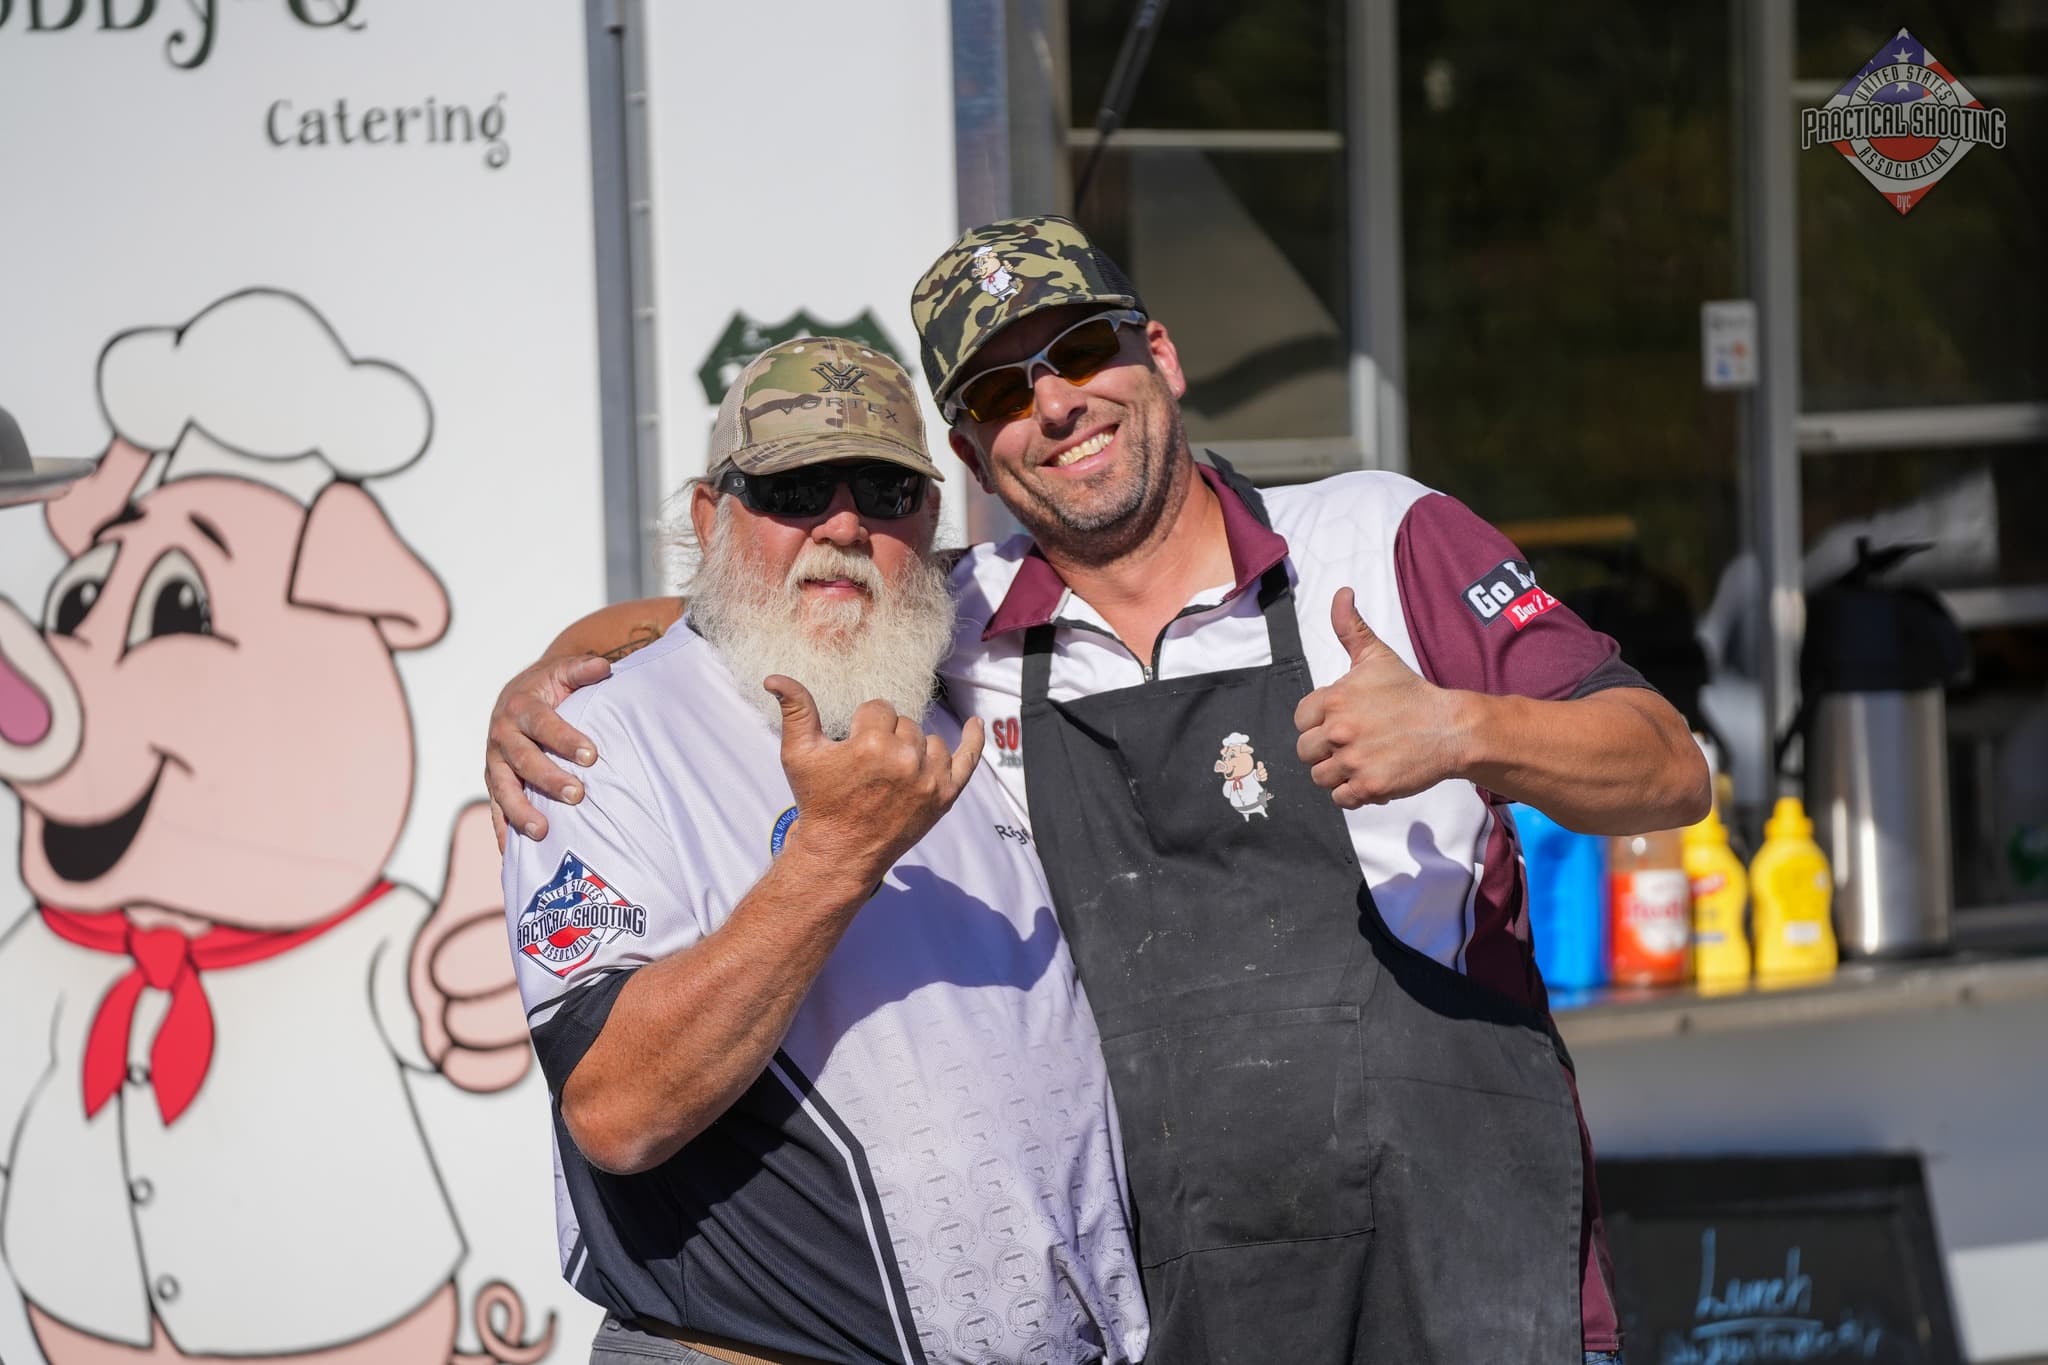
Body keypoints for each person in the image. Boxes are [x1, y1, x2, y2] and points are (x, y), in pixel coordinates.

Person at [489, 219, 1710, 1365]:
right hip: (1208, 1312)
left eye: (1078, 351)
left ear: (1158, 356)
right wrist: (549, 677)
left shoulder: (1378, 539)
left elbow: (1664, 766)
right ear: (973, 454)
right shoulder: (961, 625)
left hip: (1467, 1275)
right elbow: (777, 594)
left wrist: (1460, 728)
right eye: (1000, 394)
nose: (1056, 403)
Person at [498, 337, 1147, 1365]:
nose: (842, 525)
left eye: (885, 490)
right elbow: (617, 1111)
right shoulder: (602, 736)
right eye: (794, 487)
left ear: (929, 523)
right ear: (711, 517)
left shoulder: (962, 682)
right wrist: (833, 858)